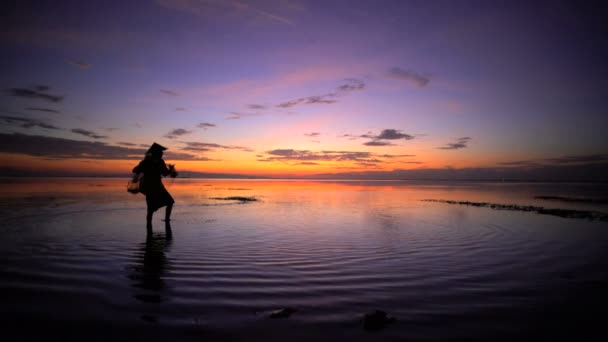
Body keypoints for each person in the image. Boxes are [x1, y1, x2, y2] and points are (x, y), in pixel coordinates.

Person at [132, 143, 177, 230]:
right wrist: (171, 170)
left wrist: (170, 170)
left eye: (161, 154)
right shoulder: (147, 162)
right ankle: (151, 226)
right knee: (152, 209)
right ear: (155, 154)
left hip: (156, 186)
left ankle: (165, 221)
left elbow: (164, 173)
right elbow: (134, 170)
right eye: (160, 154)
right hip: (151, 187)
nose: (161, 155)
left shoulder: (156, 161)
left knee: (168, 202)